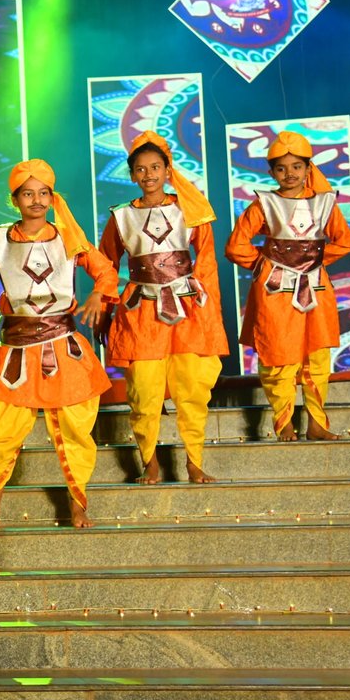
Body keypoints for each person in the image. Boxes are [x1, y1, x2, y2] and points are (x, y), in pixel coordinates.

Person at [0, 159, 118, 530]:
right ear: (14, 199)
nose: (36, 200)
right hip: (17, 351)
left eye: (43, 193)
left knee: (75, 429)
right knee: (3, 431)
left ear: (52, 198)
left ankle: (78, 505)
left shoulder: (69, 237)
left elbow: (105, 270)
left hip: (63, 347)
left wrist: (98, 294)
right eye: (27, 194)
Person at [98, 132, 227, 484]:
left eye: (155, 167)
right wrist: (105, 308)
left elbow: (207, 261)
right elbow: (105, 264)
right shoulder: (122, 216)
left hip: (188, 309)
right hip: (142, 310)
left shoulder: (189, 208)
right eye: (141, 169)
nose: (149, 174)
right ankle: (150, 462)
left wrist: (210, 309)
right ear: (132, 175)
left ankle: (194, 461)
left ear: (168, 170)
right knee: (144, 389)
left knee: (192, 386)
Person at [225, 131, 350, 442]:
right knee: (278, 353)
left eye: (297, 166)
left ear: (308, 169)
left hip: (315, 288)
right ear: (271, 172)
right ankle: (283, 421)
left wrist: (313, 261)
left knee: (317, 355)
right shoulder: (264, 204)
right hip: (275, 291)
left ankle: (316, 422)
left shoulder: (324, 203)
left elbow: (344, 241)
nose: (290, 174)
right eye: (281, 168)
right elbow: (236, 246)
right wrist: (267, 265)